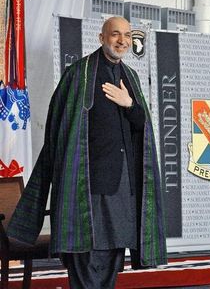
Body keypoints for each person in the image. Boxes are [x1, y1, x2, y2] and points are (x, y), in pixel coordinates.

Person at [7, 17, 167, 288]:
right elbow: (58, 134)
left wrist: (129, 104)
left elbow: (142, 126)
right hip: (87, 188)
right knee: (86, 258)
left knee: (113, 257)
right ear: (101, 38)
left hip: (122, 187)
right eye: (115, 34)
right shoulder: (78, 75)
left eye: (127, 35)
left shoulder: (131, 77)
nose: (122, 41)